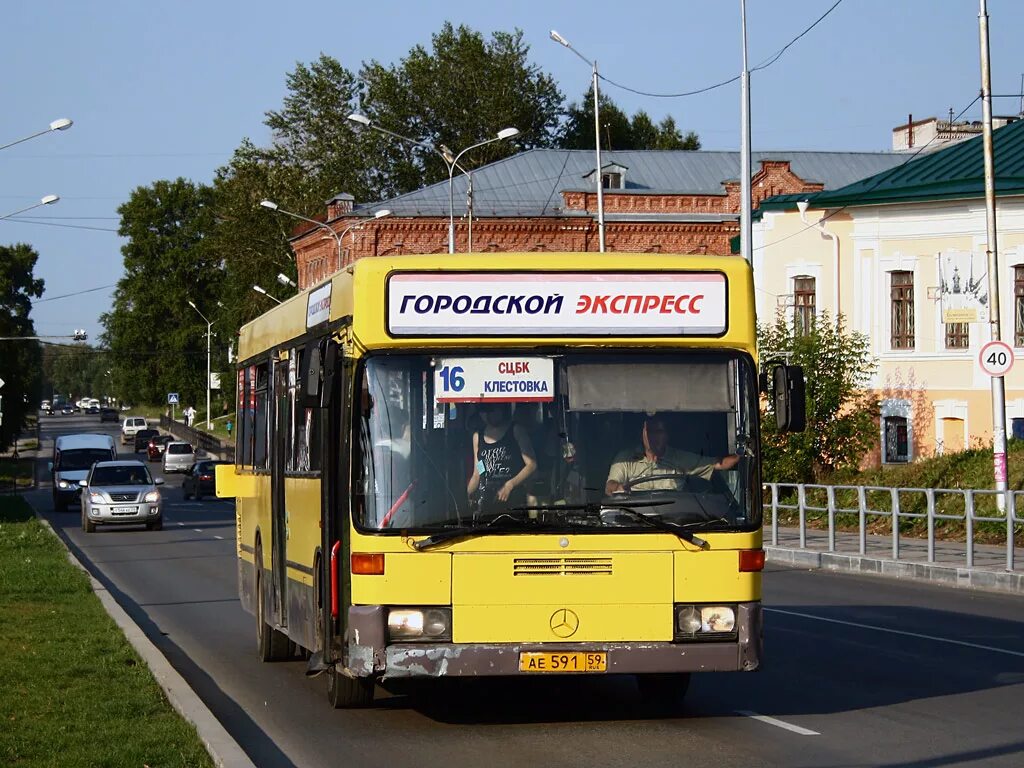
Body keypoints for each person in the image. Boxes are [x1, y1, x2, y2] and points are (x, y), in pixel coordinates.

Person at [605, 414, 738, 495]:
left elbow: (719, 464)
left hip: (675, 524)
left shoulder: (681, 459)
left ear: (667, 436)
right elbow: (610, 486)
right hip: (635, 525)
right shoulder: (625, 459)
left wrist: (741, 454)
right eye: (650, 431)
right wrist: (618, 487)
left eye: (659, 432)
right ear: (643, 433)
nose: (653, 437)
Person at [467, 402, 537, 510]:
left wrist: (510, 485)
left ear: (501, 409)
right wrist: (468, 494)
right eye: (484, 412)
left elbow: (531, 464)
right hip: (488, 501)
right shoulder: (478, 436)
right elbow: (478, 472)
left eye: (491, 411)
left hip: (514, 500)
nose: (488, 416)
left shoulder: (516, 430)